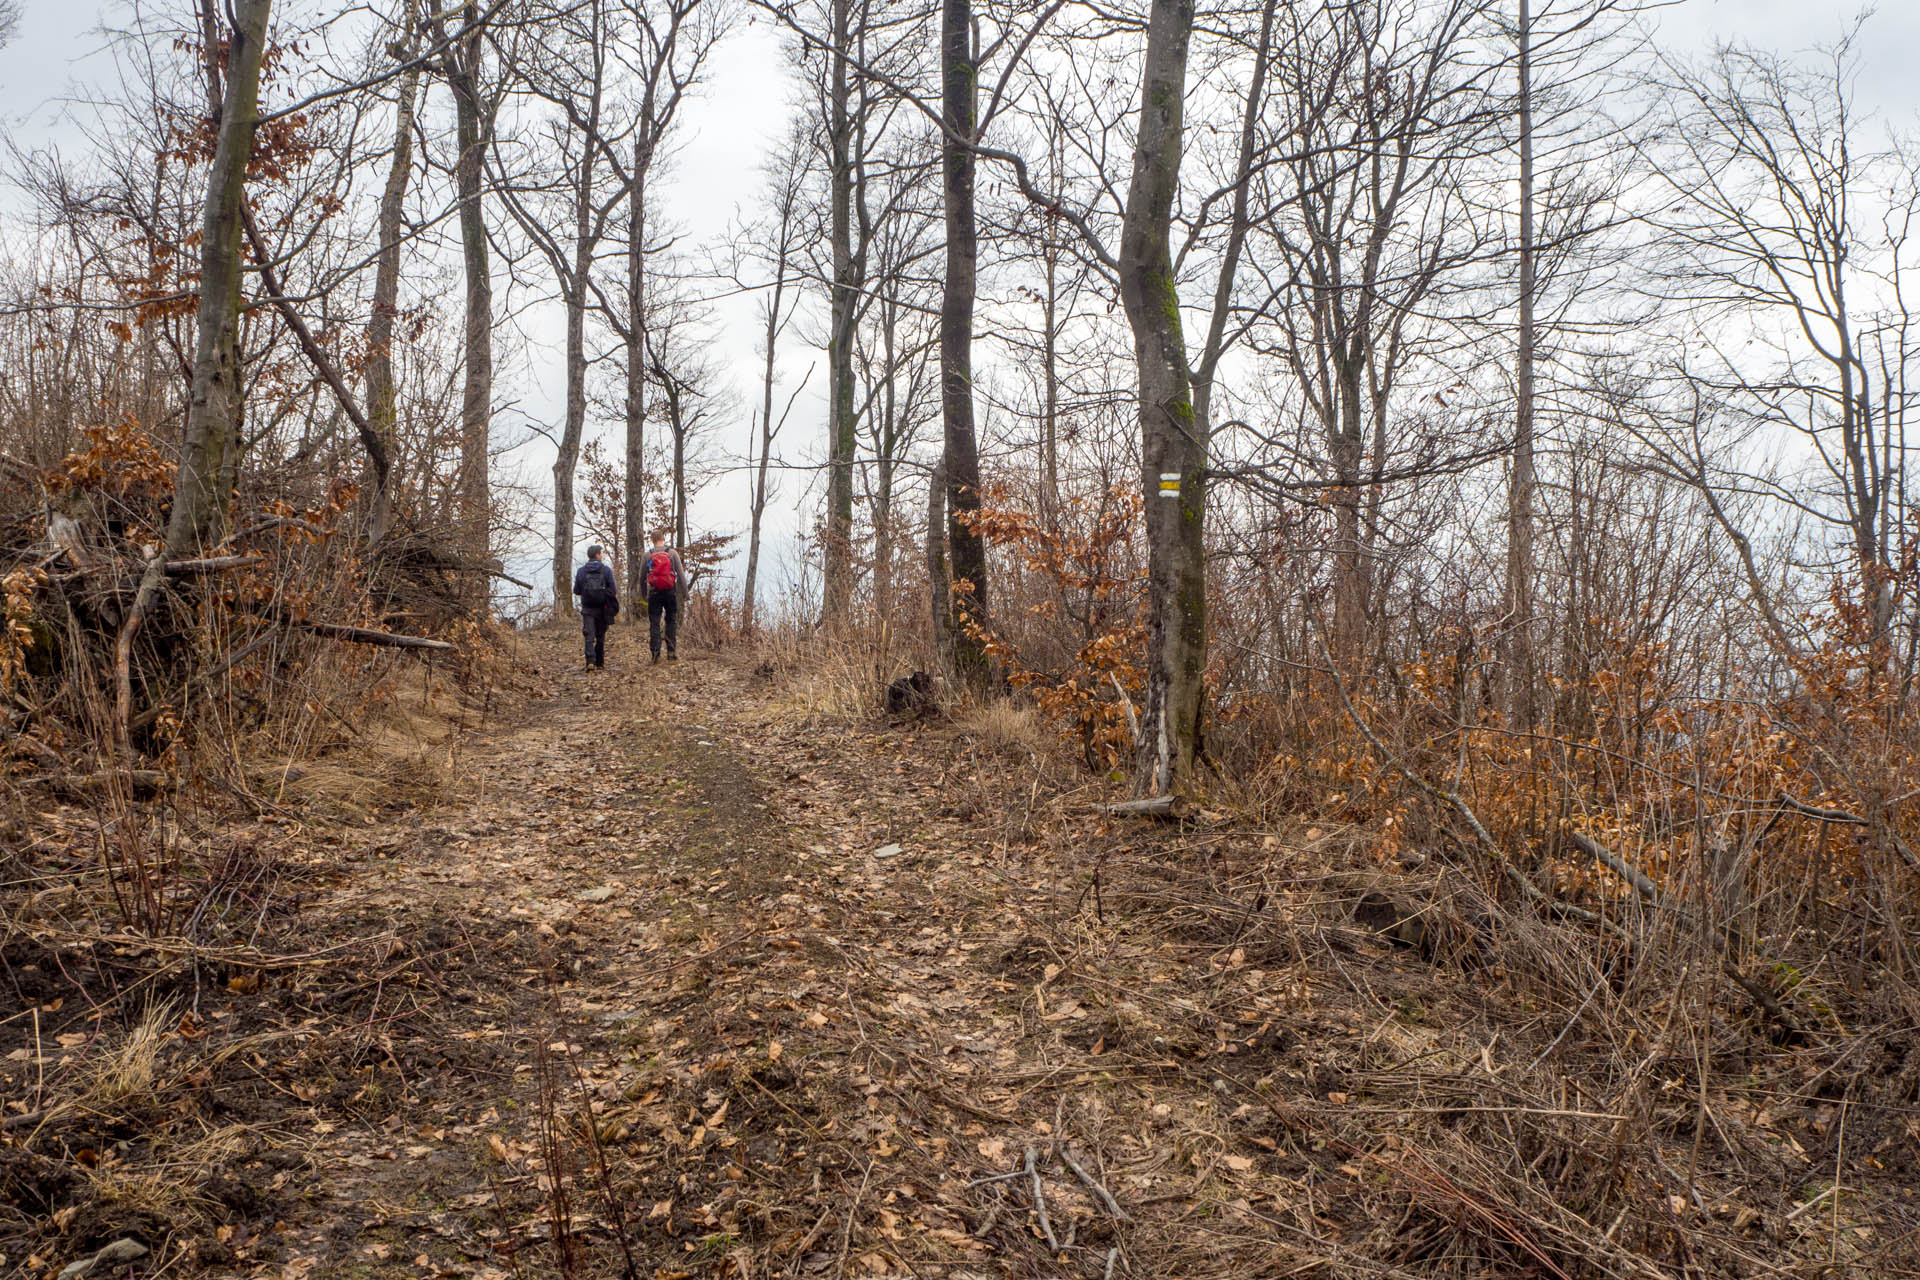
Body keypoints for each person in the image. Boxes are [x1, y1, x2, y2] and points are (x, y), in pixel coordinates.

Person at [572, 545, 619, 669]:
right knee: (600, 635)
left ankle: (590, 662)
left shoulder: (581, 571)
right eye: (601, 553)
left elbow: (576, 590)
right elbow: (613, 590)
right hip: (602, 607)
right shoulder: (606, 570)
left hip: (587, 607)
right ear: (598, 555)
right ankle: (600, 662)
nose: (601, 555)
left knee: (589, 635)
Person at [642, 530, 684, 664]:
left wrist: (643, 594)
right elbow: (681, 575)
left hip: (654, 592)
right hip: (670, 591)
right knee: (671, 620)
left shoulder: (648, 555)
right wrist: (685, 593)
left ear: (652, 540)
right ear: (663, 539)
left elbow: (641, 577)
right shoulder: (672, 553)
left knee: (654, 622)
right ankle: (671, 652)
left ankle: (655, 653)